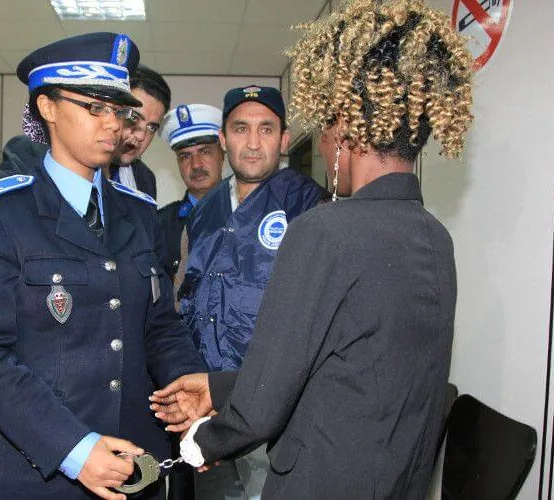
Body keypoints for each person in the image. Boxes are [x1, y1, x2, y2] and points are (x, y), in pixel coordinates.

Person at [150, 1, 475, 498]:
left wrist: (204, 442)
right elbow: (335, 367)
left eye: (323, 133)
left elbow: (266, 403)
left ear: (343, 132)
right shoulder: (435, 236)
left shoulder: (324, 231)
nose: (322, 149)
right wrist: (217, 388)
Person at [0, 33, 206, 500]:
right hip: (39, 471)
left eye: (120, 111)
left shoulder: (139, 211)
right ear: (47, 107)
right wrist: (73, 447)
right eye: (94, 108)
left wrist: (190, 386)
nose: (113, 125)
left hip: (136, 466)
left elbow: (160, 327)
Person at [175, 86, 327, 499]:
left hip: (274, 410)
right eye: (241, 129)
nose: (254, 143)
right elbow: (183, 302)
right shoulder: (203, 212)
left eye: (266, 129)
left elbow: (315, 324)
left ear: (283, 139)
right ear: (223, 139)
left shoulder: (309, 206)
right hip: (207, 405)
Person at [157, 104, 225, 279]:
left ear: (222, 154)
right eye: (185, 156)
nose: (196, 165)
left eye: (204, 152)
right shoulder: (160, 224)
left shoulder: (248, 213)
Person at [109, 65, 170, 199]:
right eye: (134, 118)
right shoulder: (81, 168)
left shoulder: (146, 178)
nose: (141, 136)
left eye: (152, 127)